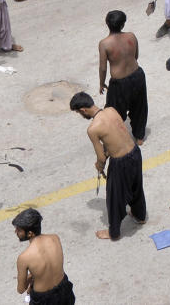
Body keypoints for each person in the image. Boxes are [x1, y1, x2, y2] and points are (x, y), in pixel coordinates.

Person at [69, 92, 146, 241]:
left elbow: (101, 157)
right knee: (136, 187)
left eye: (79, 112)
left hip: (120, 163)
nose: (80, 115)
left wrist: (99, 166)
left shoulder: (92, 129)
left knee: (114, 196)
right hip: (135, 152)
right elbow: (115, 134)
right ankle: (140, 215)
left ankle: (114, 232)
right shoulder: (111, 110)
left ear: (83, 110)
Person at [99, 10, 147, 144]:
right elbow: (136, 56)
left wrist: (101, 83)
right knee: (139, 107)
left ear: (107, 24)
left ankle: (115, 137)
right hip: (137, 75)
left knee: (113, 110)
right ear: (123, 24)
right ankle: (139, 137)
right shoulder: (131, 36)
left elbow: (103, 67)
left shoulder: (104, 44)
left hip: (119, 83)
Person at [12, 209, 76, 305]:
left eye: (19, 230)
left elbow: (21, 289)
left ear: (30, 233)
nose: (15, 232)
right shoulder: (55, 238)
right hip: (64, 290)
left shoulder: (24, 258)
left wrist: (32, 276)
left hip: (43, 299)